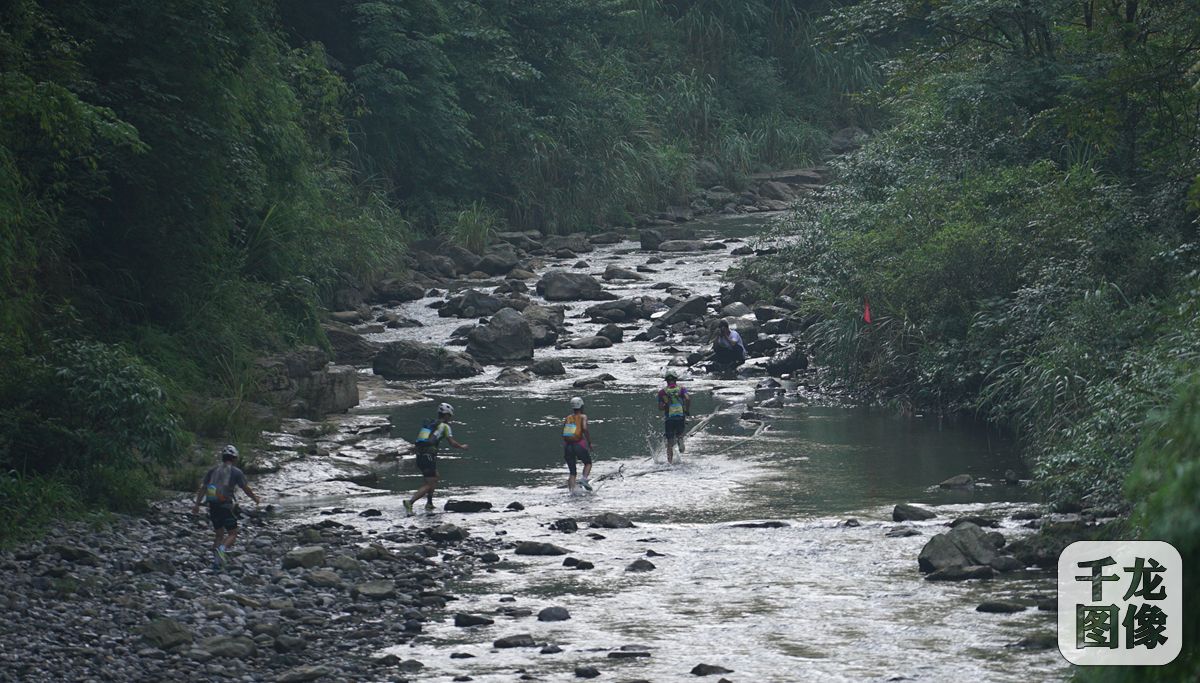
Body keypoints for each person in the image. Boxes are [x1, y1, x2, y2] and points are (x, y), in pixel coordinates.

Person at [192, 445, 261, 570]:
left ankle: (216, 563)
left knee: (219, 534)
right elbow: (245, 488)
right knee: (233, 533)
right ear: (234, 459)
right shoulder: (236, 472)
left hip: (213, 506)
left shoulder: (212, 470)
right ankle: (221, 551)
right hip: (226, 506)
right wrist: (255, 498)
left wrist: (196, 504)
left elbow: (203, 488)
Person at [404, 402, 469, 515]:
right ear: (447, 415)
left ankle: (429, 503)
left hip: (421, 456)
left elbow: (419, 442)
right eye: (450, 415)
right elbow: (452, 442)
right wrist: (462, 447)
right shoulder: (445, 427)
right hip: (429, 457)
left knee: (435, 477)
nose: (450, 418)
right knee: (429, 483)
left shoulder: (430, 424)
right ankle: (410, 502)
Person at [657, 371, 691, 464]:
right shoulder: (681, 389)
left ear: (666, 381)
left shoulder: (662, 392)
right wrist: (686, 410)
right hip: (680, 416)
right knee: (680, 433)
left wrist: (666, 405)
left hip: (669, 418)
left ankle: (670, 463)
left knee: (669, 443)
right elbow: (687, 399)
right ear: (676, 380)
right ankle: (680, 438)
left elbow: (660, 408)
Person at [562, 396, 594, 493]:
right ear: (581, 406)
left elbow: (565, 433)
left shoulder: (568, 417)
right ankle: (584, 479)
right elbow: (584, 428)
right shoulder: (583, 417)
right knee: (588, 463)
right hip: (578, 445)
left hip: (568, 446)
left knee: (572, 472)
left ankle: (572, 492)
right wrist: (589, 442)